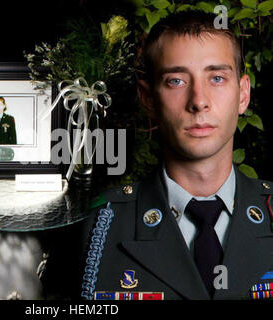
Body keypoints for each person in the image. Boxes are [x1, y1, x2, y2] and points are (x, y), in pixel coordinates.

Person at [80, 11, 273, 300]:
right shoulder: (98, 225)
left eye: (217, 78)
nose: (198, 101)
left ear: (243, 94)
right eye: (176, 81)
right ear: (148, 98)